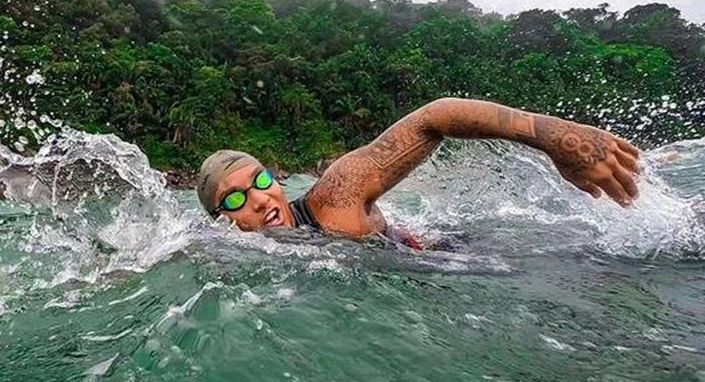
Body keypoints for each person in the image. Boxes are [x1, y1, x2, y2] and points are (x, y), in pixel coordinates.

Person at [195, 97, 640, 247]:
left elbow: (436, 117)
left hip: (453, 259)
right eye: (234, 199)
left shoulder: (336, 198)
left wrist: (556, 136)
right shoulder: (232, 254)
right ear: (222, 221)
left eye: (261, 180)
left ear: (276, 179)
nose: (258, 199)